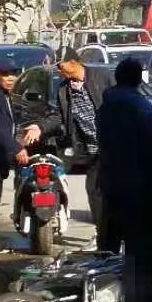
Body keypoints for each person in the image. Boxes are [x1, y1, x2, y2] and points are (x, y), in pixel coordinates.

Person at [95, 56, 152, 302]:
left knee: (108, 247)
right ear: (139, 79)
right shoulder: (141, 106)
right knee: (140, 250)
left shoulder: (105, 106)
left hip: (110, 183)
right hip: (138, 187)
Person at [37, 58, 102, 228]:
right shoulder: (64, 89)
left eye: (60, 66)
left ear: (73, 63)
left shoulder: (100, 78)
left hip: (113, 146)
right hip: (92, 150)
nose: (58, 70)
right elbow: (58, 116)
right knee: (94, 191)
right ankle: (103, 236)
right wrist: (40, 127)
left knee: (113, 192)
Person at [0, 60, 40, 232]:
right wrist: (16, 148)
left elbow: (12, 121)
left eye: (14, 74)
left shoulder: (4, 93)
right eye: (6, 75)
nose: (11, 79)